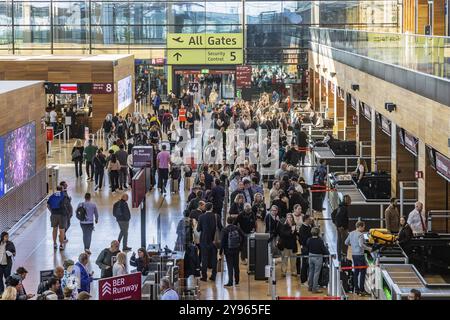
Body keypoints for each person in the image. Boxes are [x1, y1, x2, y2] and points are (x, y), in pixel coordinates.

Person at [197, 202, 223, 282]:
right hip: (214, 241)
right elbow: (221, 228)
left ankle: (204, 276)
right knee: (214, 258)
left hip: (204, 240)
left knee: (204, 259)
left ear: (205, 208)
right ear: (211, 208)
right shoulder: (216, 216)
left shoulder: (201, 217)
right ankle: (213, 276)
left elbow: (198, 229)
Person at [345, 221, 372, 296]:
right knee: (362, 273)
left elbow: (346, 242)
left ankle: (356, 289)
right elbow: (361, 244)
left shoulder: (351, 233)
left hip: (354, 255)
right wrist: (369, 249)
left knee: (356, 273)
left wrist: (353, 245)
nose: (364, 228)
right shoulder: (360, 234)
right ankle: (362, 290)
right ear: (360, 226)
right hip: (360, 255)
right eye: (363, 226)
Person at [221, 216, 244, 287]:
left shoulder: (225, 230)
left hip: (228, 250)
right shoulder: (237, 228)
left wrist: (221, 251)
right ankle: (237, 281)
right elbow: (243, 236)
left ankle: (230, 282)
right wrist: (240, 246)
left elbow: (223, 241)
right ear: (233, 221)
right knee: (236, 265)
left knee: (230, 266)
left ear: (227, 222)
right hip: (236, 249)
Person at [306, 227, 329, 293]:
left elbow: (307, 247)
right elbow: (324, 249)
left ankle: (310, 287)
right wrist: (328, 254)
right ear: (318, 233)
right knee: (316, 273)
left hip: (310, 256)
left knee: (311, 272)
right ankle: (315, 288)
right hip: (318, 257)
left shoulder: (309, 239)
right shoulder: (320, 241)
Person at [47, 186, 67, 250]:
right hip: (62, 215)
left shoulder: (52, 196)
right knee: (62, 230)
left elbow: (48, 205)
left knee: (54, 229)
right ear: (62, 190)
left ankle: (55, 244)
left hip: (54, 214)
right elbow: (67, 205)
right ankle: (61, 245)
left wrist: (51, 211)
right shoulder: (64, 195)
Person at [335, 195, 351, 261]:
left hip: (341, 228)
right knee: (343, 244)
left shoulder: (340, 207)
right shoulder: (343, 208)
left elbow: (333, 214)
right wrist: (340, 226)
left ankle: (340, 257)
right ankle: (342, 258)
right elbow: (337, 217)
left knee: (340, 242)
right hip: (343, 229)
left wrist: (337, 225)